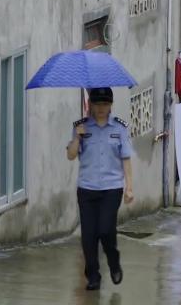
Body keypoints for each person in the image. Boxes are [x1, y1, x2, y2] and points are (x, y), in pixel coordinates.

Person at [66, 87, 134, 291]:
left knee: (105, 230)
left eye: (105, 104)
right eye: (98, 104)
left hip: (111, 189)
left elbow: (126, 159)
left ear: (111, 105)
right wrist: (77, 138)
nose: (102, 108)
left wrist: (129, 187)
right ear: (91, 105)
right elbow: (70, 155)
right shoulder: (81, 127)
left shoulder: (120, 128)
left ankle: (114, 261)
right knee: (88, 236)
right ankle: (93, 276)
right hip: (86, 189)